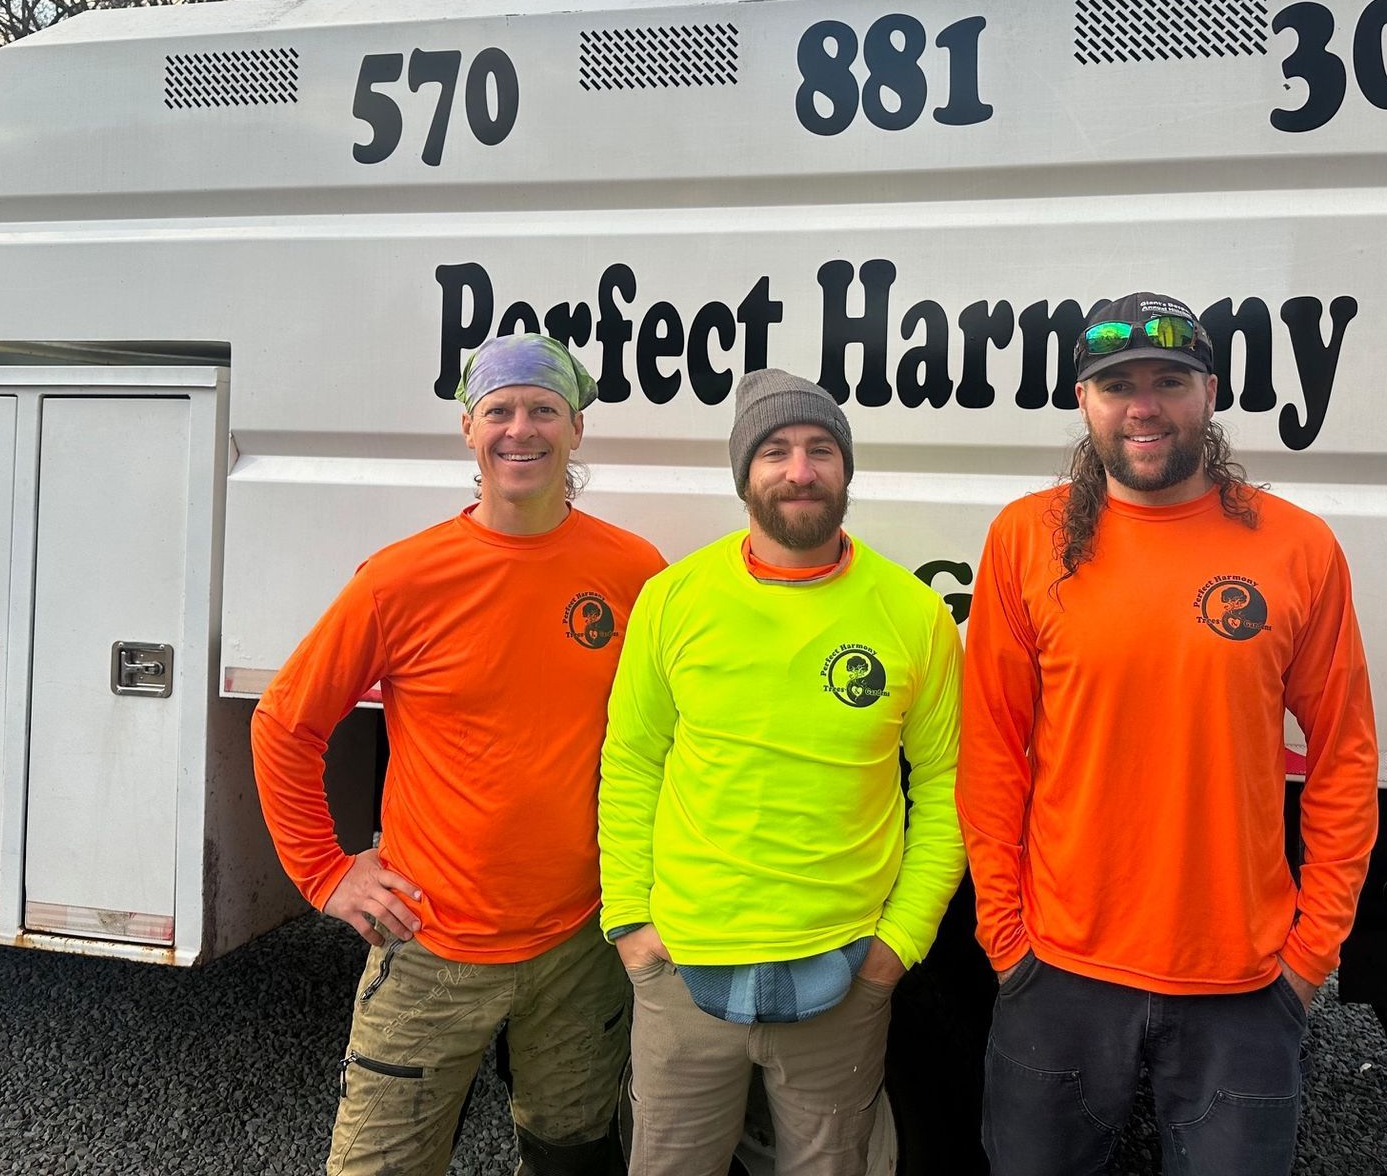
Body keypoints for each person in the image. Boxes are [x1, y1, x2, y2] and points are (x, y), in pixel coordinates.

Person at [958, 292, 1379, 1176]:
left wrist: (1310, 956)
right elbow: (993, 746)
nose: (1142, 406)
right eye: (1117, 384)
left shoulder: (1297, 548)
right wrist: (1005, 935)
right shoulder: (1025, 539)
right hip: (1059, 973)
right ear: (1084, 401)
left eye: (1168, 381)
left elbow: (1344, 753)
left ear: (1210, 393)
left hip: (1243, 982)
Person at [251, 333, 666, 1176]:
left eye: (544, 409)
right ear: (469, 431)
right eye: (501, 411)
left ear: (576, 429)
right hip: (432, 945)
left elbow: (662, 742)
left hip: (580, 944)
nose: (523, 429)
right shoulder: (401, 580)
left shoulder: (632, 572)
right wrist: (327, 875)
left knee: (573, 1152)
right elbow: (285, 723)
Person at [599, 368, 964, 1176]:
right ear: (744, 475)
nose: (800, 470)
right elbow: (631, 763)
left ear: (845, 470)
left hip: (844, 971)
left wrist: (899, 945)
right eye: (775, 451)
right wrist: (629, 924)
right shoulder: (673, 599)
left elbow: (946, 786)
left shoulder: (913, 613)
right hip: (682, 967)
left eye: (820, 449)